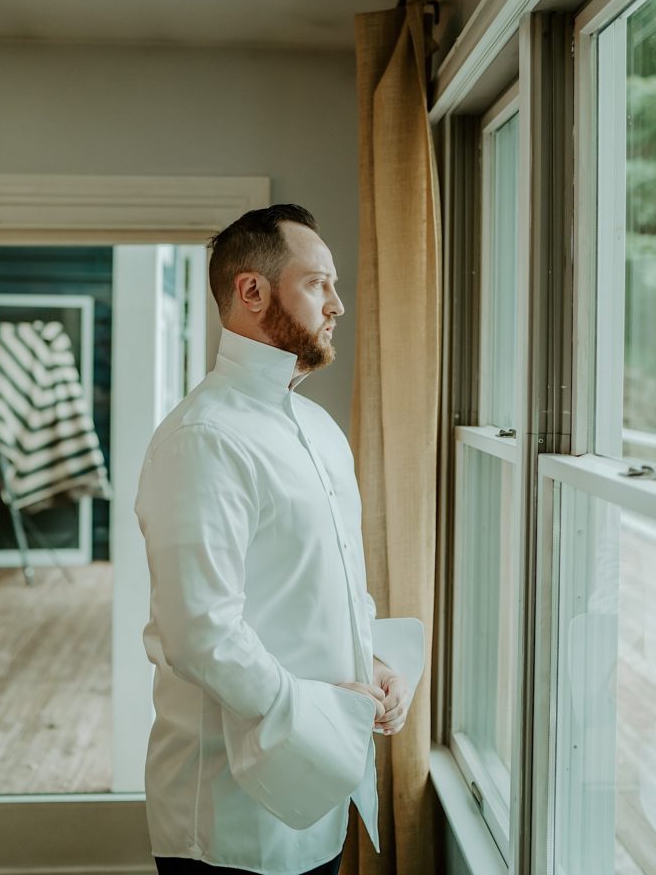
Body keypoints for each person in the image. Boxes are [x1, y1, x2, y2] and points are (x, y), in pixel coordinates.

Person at [135, 205, 424, 875]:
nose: (338, 305)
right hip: (230, 819)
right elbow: (200, 635)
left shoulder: (320, 429)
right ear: (252, 291)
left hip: (322, 793)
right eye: (318, 283)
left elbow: (328, 584)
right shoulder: (201, 440)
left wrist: (371, 657)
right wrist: (322, 710)